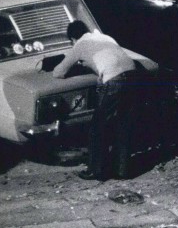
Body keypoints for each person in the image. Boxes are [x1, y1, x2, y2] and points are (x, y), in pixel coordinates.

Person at [53, 21, 140, 181]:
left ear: (73, 38)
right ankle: (123, 170)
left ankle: (95, 170)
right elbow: (110, 58)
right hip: (133, 74)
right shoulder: (106, 37)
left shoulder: (80, 44)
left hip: (115, 79)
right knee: (124, 124)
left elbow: (59, 72)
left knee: (97, 127)